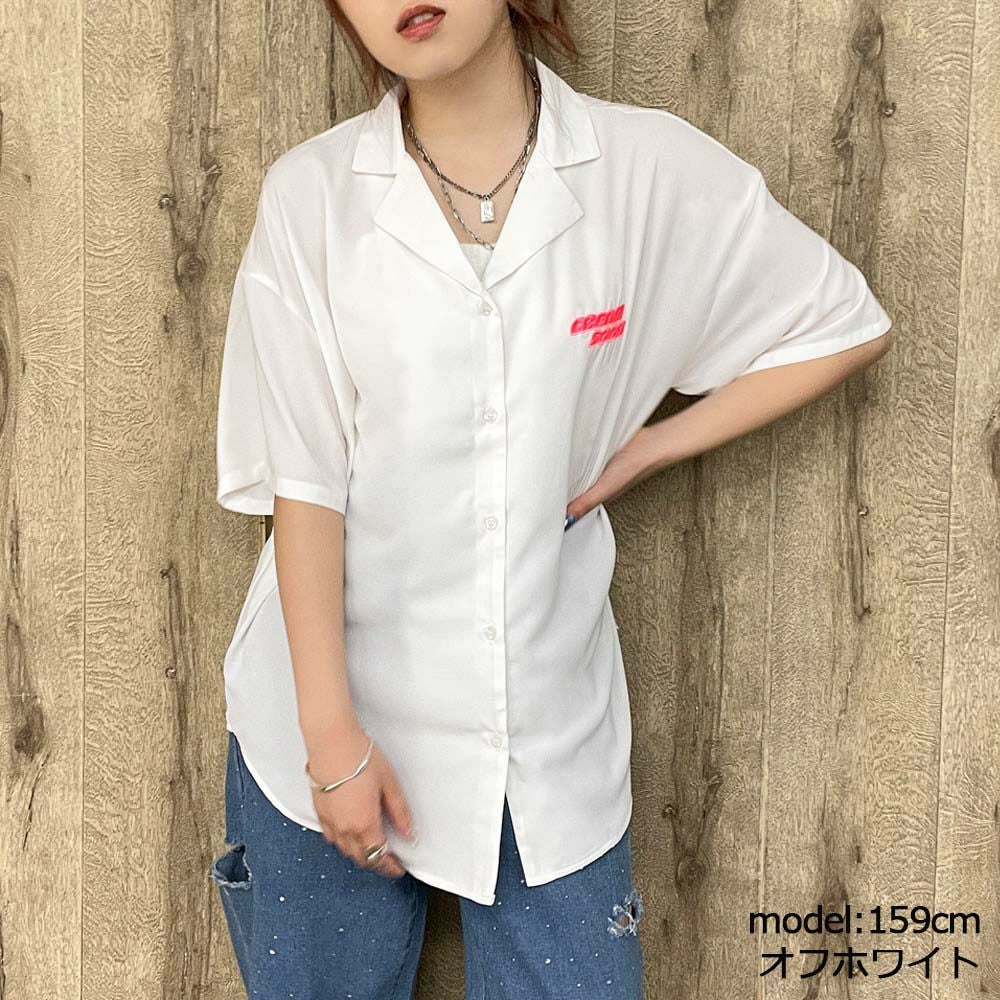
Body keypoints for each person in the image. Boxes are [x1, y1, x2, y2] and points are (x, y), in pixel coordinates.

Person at [209, 2, 894, 998]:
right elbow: (305, 484)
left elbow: (842, 322)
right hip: (321, 720)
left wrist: (653, 443)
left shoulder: (642, 170)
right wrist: (332, 745)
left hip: (544, 724)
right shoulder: (312, 195)